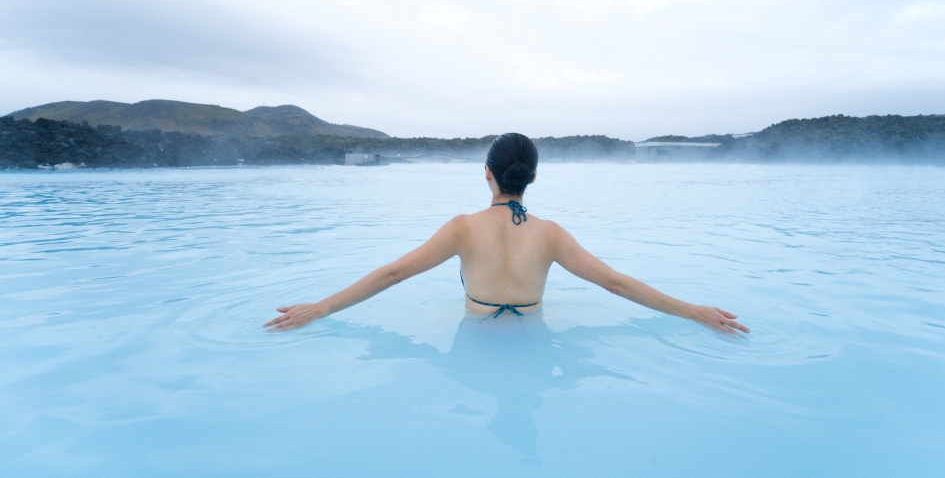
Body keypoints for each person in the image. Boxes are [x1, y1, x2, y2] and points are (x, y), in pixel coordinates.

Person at [264, 133, 749, 335]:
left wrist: (321, 307)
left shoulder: (462, 229)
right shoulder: (552, 235)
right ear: (533, 178)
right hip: (535, 333)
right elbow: (616, 284)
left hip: (474, 334)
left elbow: (393, 274)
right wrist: (694, 311)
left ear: (488, 174)